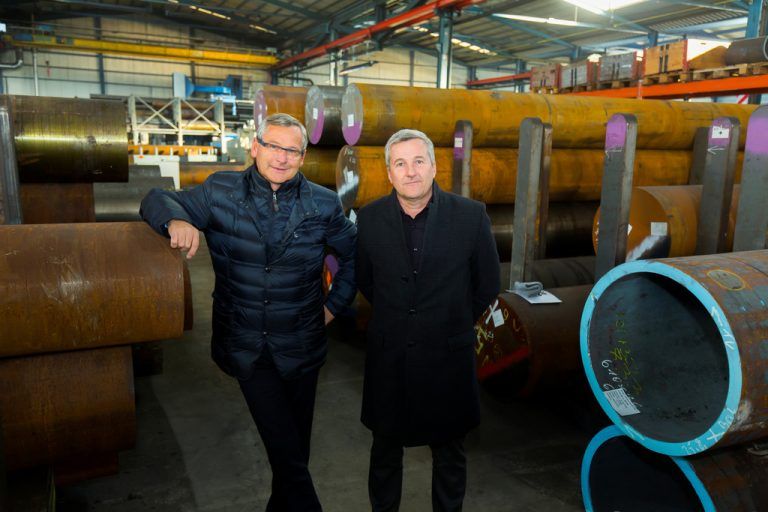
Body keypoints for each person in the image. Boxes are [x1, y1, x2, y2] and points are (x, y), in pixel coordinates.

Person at [140, 113, 356, 511]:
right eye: (273, 145)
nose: (281, 157)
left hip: (302, 346)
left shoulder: (323, 203)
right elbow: (156, 197)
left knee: (292, 453)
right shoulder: (220, 191)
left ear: (302, 157)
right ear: (254, 147)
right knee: (287, 453)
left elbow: (354, 256)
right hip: (246, 345)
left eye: (291, 150)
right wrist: (176, 219)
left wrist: (332, 308)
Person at [355, 129, 500, 512]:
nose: (411, 171)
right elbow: (366, 280)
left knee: (450, 454)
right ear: (389, 173)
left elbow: (487, 284)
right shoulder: (368, 220)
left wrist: (448, 324)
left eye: (419, 161)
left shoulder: (471, 217)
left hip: (447, 357)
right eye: (400, 163)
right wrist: (403, 319)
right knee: (385, 452)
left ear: (434, 167)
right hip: (390, 358)